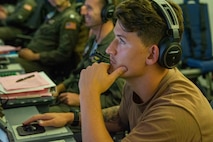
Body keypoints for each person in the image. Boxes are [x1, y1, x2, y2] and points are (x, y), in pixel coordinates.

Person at [24, 0, 213, 141]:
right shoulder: (136, 84)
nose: (109, 49)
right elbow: (120, 119)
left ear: (152, 54)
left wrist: (88, 94)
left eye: (121, 41)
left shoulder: (175, 114)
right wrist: (70, 117)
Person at [48, 0, 124, 113]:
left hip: (86, 110)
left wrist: (81, 100)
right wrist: (60, 87)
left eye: (89, 8)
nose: (82, 11)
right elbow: (78, 72)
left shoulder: (113, 49)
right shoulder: (94, 38)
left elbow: (118, 100)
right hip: (70, 95)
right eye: (84, 6)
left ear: (107, 12)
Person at [15, 0, 83, 80]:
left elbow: (63, 54)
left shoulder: (69, 19)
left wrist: (34, 56)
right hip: (30, 59)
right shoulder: (53, 14)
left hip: (43, 66)